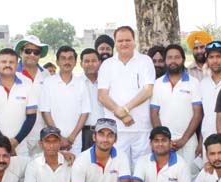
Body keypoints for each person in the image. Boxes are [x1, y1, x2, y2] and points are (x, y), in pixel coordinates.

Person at [98, 26, 155, 168]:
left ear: (134, 41)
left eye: (128, 40)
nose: (124, 44)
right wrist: (122, 115)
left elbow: (148, 90)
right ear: (115, 43)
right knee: (117, 171)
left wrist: (125, 109)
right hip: (115, 130)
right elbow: (102, 95)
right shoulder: (107, 64)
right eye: (120, 41)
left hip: (141, 128)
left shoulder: (145, 61)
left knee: (141, 171)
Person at [150, 44, 202, 171]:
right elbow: (154, 113)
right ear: (165, 60)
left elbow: (198, 114)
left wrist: (183, 140)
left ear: (183, 59)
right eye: (169, 57)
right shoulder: (157, 83)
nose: (173, 61)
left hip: (188, 141)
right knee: (166, 176)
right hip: (164, 143)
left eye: (177, 57)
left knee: (190, 176)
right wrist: (163, 139)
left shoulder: (194, 82)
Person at [0, 48, 37, 157]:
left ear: (16, 64)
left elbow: (31, 117)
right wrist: (5, 145)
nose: (8, 65)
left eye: (11, 62)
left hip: (20, 147)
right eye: (4, 62)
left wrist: (15, 142)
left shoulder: (27, 84)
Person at [40, 46, 90, 155]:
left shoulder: (81, 83)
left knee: (74, 169)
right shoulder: (48, 82)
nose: (67, 62)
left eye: (70, 58)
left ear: (75, 62)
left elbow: (85, 113)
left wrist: (72, 138)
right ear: (57, 62)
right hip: (52, 139)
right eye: (63, 58)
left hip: (75, 141)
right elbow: (45, 111)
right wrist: (58, 136)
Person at [197, 41, 221, 159]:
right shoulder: (203, 83)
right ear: (207, 60)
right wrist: (200, 142)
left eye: (218, 56)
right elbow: (204, 115)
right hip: (208, 140)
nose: (215, 61)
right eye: (211, 57)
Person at [80, 48, 104, 151]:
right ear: (81, 64)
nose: (90, 64)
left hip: (104, 132)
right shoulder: (76, 83)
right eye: (86, 61)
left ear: (99, 63)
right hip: (83, 133)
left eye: (93, 61)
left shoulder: (106, 83)